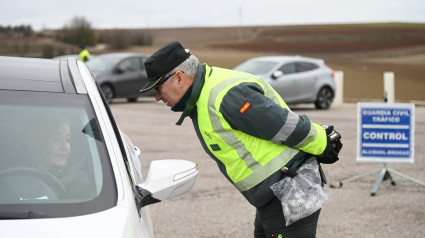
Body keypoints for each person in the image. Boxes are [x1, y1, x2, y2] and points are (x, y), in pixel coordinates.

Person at [139, 41, 342, 238]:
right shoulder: (202, 96)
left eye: (158, 88)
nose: (157, 97)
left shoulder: (225, 95)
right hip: (274, 193)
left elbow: (283, 124)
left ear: (180, 78)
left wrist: (324, 143)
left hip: (291, 186)